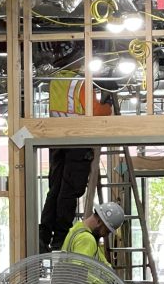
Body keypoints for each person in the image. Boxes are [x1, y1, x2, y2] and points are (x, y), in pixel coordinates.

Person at [37, 70, 112, 253]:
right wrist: (107, 103)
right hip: (77, 139)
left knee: (54, 191)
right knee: (70, 191)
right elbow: (97, 112)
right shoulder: (80, 81)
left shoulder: (56, 78)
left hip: (56, 140)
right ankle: (60, 238)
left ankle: (44, 236)